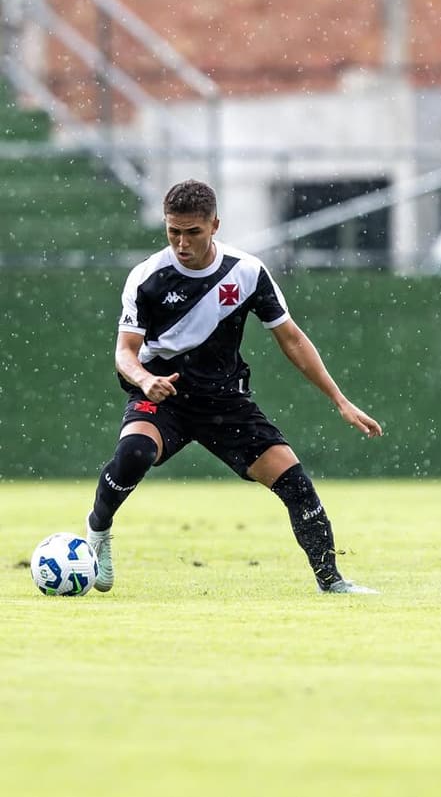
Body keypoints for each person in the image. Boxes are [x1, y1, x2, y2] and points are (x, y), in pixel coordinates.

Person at [83, 179, 383, 596]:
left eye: (193, 232)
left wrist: (340, 400)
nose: (182, 243)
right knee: (134, 452)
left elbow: (292, 338)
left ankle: (332, 581)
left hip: (225, 403)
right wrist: (145, 379)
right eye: (173, 231)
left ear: (215, 225)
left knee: (295, 484)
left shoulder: (246, 272)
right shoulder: (147, 277)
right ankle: (98, 529)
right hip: (162, 397)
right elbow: (124, 352)